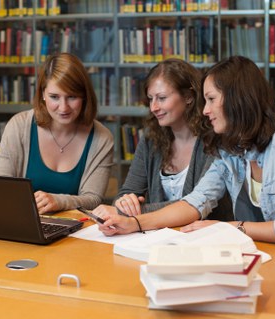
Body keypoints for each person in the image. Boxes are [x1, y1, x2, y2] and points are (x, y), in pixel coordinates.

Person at [93, 56, 275, 246]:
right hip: (272, 251)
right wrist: (134, 223)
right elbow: (196, 201)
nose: (205, 110)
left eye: (212, 99)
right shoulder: (229, 148)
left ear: (238, 99)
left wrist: (229, 228)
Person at [92, 58, 232, 227]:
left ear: (188, 97)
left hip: (204, 238)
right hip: (156, 237)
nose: (153, 107)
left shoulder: (214, 139)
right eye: (151, 99)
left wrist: (132, 212)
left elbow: (192, 206)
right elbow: (126, 193)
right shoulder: (151, 139)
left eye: (162, 98)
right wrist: (124, 203)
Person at [0, 52, 114, 214]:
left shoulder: (101, 138)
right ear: (42, 94)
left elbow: (92, 199)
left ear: (84, 96)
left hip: (75, 230)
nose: (63, 108)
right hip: (22, 220)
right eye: (54, 97)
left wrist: (59, 201)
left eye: (72, 97)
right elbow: (0, 186)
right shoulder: (19, 126)